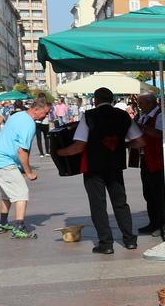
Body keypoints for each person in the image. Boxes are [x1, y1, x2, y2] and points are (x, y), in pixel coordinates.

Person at [56, 86, 143, 254]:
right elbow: (140, 141)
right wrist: (123, 145)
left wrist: (59, 152)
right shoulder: (123, 116)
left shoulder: (89, 116)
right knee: (120, 203)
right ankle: (130, 240)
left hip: (94, 167)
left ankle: (106, 243)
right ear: (111, 99)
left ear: (95, 100)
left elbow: (79, 146)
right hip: (115, 166)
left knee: (98, 205)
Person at [0, 96, 48, 239]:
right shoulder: (29, 124)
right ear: (36, 109)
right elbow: (22, 152)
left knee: (7, 194)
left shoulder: (18, 115)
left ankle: (2, 223)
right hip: (4, 160)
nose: (46, 116)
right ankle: (19, 227)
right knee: (21, 192)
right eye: (45, 113)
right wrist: (29, 172)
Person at [134, 92, 165, 235]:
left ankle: (163, 224)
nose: (139, 106)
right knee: (148, 193)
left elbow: (161, 134)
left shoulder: (160, 116)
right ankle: (153, 222)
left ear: (149, 103)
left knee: (158, 193)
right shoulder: (143, 117)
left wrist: (142, 128)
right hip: (145, 159)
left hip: (157, 159)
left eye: (141, 103)